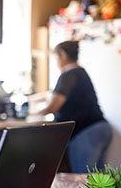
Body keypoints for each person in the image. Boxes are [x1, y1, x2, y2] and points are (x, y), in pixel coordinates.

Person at [40, 40, 112, 173]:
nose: (56, 61)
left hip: (86, 132)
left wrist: (35, 114)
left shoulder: (68, 75)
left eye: (56, 57)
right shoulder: (81, 72)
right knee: (99, 183)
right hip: (100, 128)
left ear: (63, 54)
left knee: (81, 181)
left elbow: (53, 107)